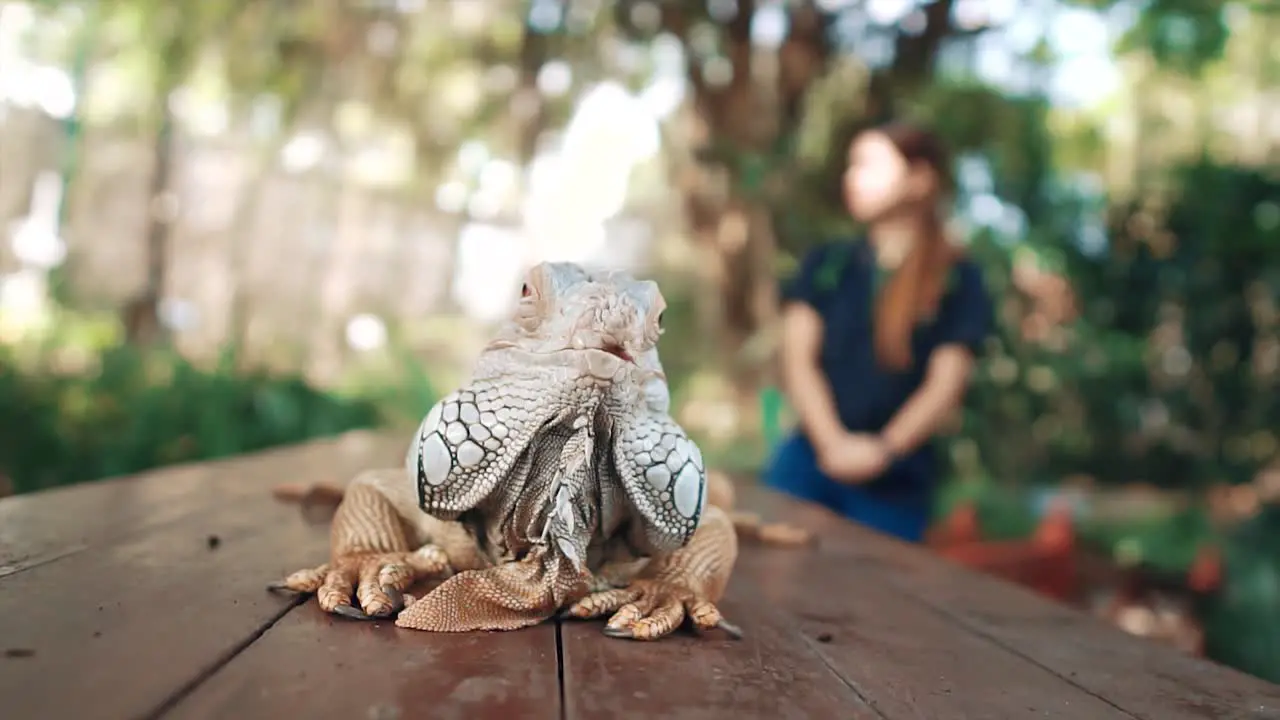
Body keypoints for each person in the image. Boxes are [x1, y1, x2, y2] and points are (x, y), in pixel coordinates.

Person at [763, 121, 995, 543]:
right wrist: (832, 444)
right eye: (852, 165)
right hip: (807, 461)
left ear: (919, 179)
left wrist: (884, 450)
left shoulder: (957, 279)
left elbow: (946, 383)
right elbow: (798, 361)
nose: (852, 178)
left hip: (895, 481)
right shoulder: (828, 264)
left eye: (868, 165)